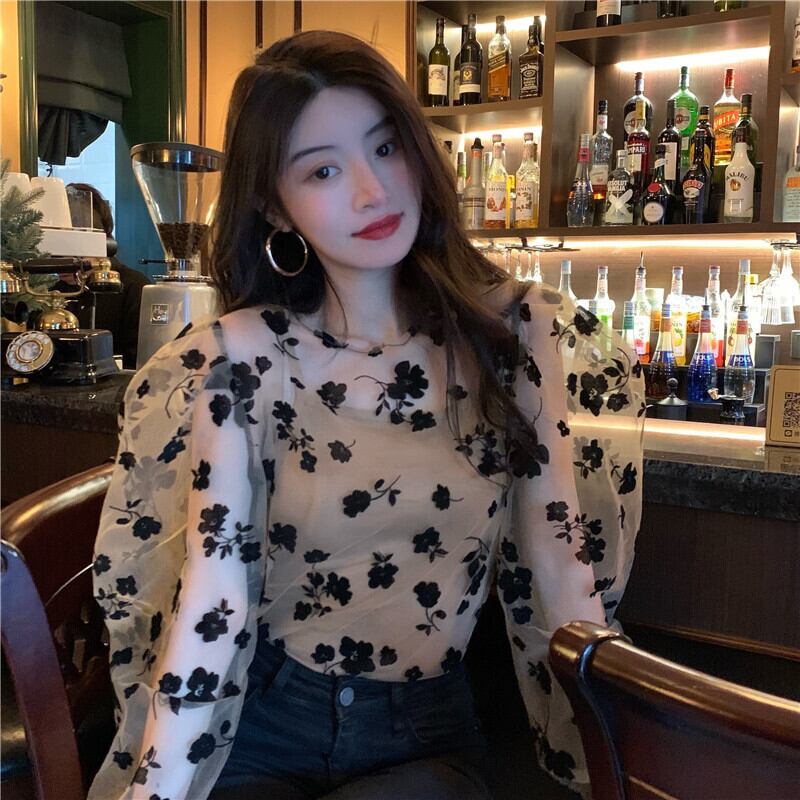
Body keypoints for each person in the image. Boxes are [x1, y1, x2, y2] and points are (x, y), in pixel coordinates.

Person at [88, 30, 645, 800]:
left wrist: (612, 766)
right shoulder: (242, 356)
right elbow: (216, 600)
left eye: (386, 148)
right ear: (272, 205)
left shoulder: (515, 333)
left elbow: (559, 572)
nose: (372, 190)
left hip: (423, 735)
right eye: (323, 170)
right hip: (264, 724)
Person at [62, 183, 149, 368]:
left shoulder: (134, 286)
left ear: (102, 239)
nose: (63, 260)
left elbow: (139, 360)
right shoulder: (55, 291)